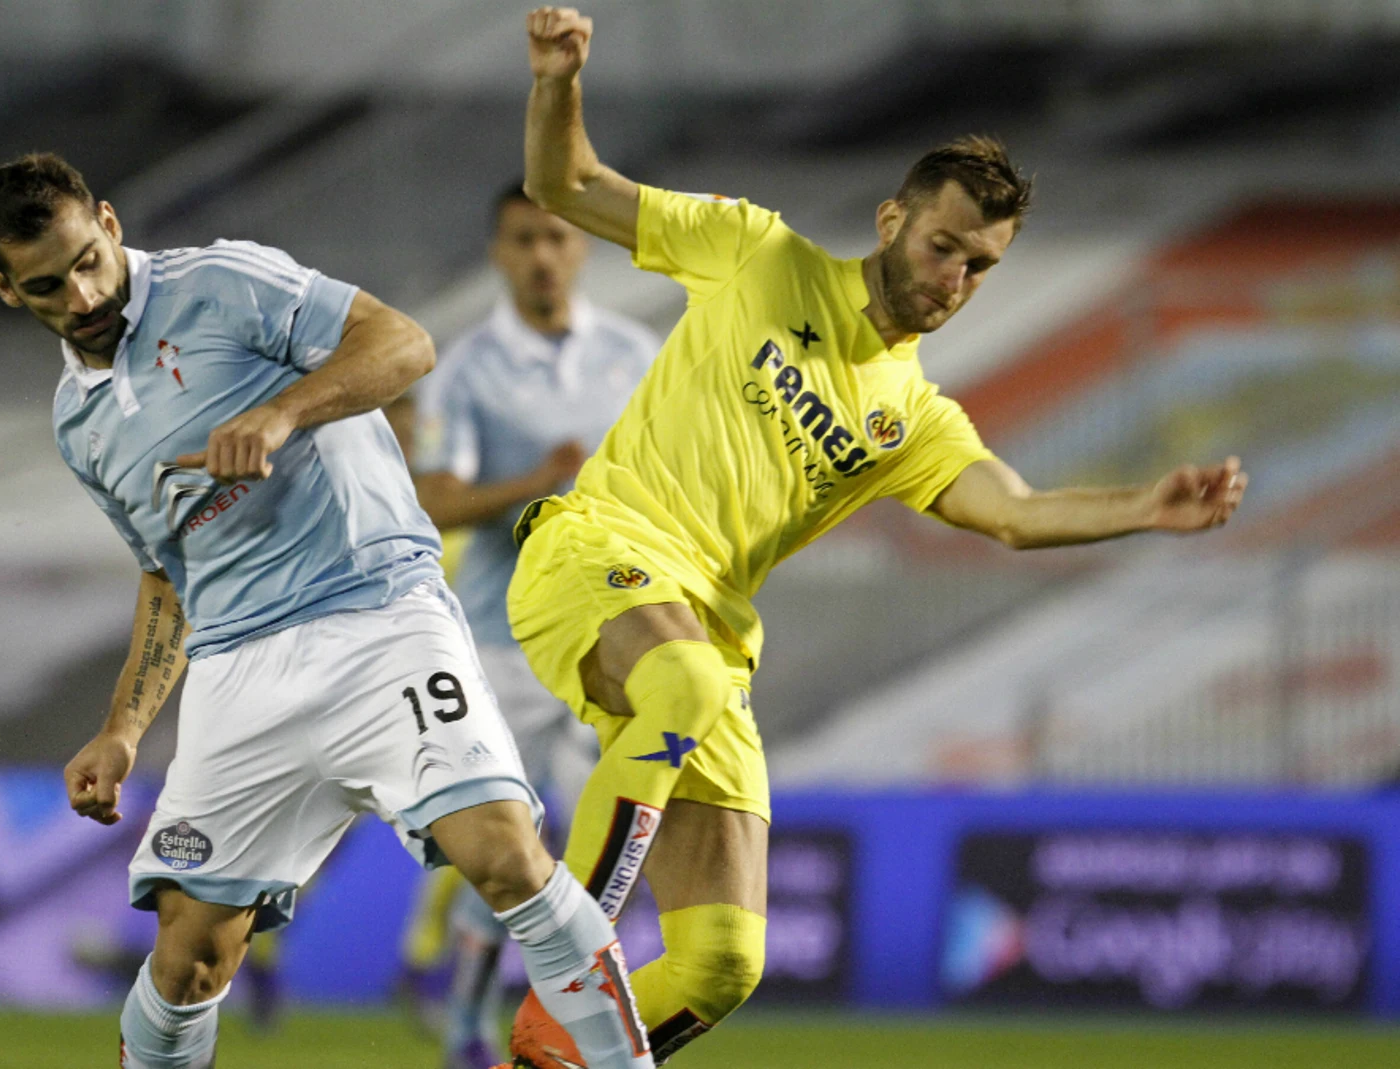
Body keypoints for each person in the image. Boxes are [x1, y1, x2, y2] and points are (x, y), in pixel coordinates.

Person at [506, 9, 1251, 1066]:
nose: (954, 278)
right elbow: (566, 183)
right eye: (943, 245)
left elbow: (1013, 512)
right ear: (892, 216)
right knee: (685, 687)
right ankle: (566, 958)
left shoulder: (914, 419)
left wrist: (1146, 506)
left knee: (723, 962)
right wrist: (556, 78)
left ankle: (541, 1059)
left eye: (980, 265)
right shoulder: (755, 252)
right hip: (593, 551)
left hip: (707, 635)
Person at [0, 152, 656, 1069]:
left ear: (110, 221)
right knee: (188, 959)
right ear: (7, 290)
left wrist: (285, 413)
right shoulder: (78, 424)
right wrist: (124, 728)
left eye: (89, 258)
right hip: (238, 668)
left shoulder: (220, 281)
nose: (83, 293)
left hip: (379, 613)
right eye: (48, 285)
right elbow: (167, 575)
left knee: (505, 856)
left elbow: (403, 343)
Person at [404, 181, 661, 1069]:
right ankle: (474, 1018)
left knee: (579, 854)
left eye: (556, 237)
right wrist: (540, 483)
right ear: (498, 253)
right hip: (500, 644)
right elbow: (434, 496)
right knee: (510, 851)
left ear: (581, 246)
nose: (542, 255)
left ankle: (534, 1027)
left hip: (611, 644)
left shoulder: (638, 354)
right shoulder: (466, 370)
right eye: (523, 240)